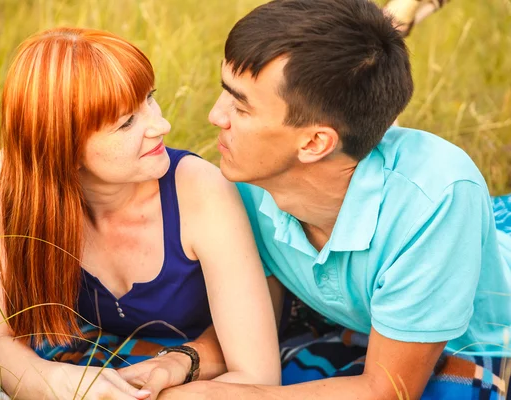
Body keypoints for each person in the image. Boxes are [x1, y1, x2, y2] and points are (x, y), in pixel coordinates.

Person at [158, 0, 511, 399]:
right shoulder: (245, 180)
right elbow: (254, 323)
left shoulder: (436, 200)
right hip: (353, 307)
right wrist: (181, 361)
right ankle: (391, 21)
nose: (215, 116)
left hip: (478, 336)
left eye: (239, 105)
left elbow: (389, 389)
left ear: (313, 142)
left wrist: (220, 396)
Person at [0, 27, 280, 400]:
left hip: (199, 368)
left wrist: (173, 369)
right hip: (101, 350)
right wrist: (55, 382)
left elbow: (259, 375)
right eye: (127, 122)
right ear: (63, 150)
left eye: (149, 100)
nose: (161, 125)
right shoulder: (18, 182)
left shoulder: (200, 190)